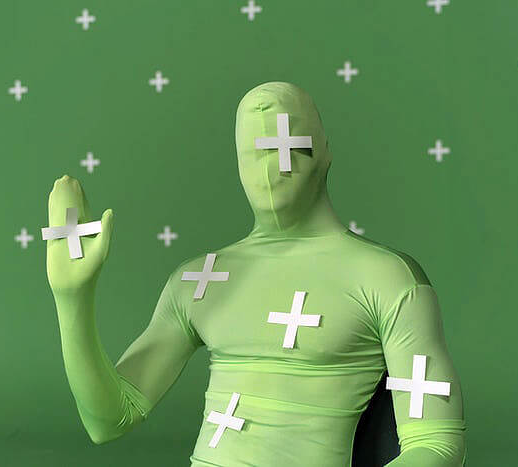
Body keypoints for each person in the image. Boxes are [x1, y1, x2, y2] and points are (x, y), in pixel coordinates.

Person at [45, 81, 466, 466]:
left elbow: (436, 442)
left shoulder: (387, 278)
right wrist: (73, 300)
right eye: (256, 149)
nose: (272, 163)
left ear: (324, 150)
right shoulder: (200, 280)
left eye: (289, 142)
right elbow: (110, 418)